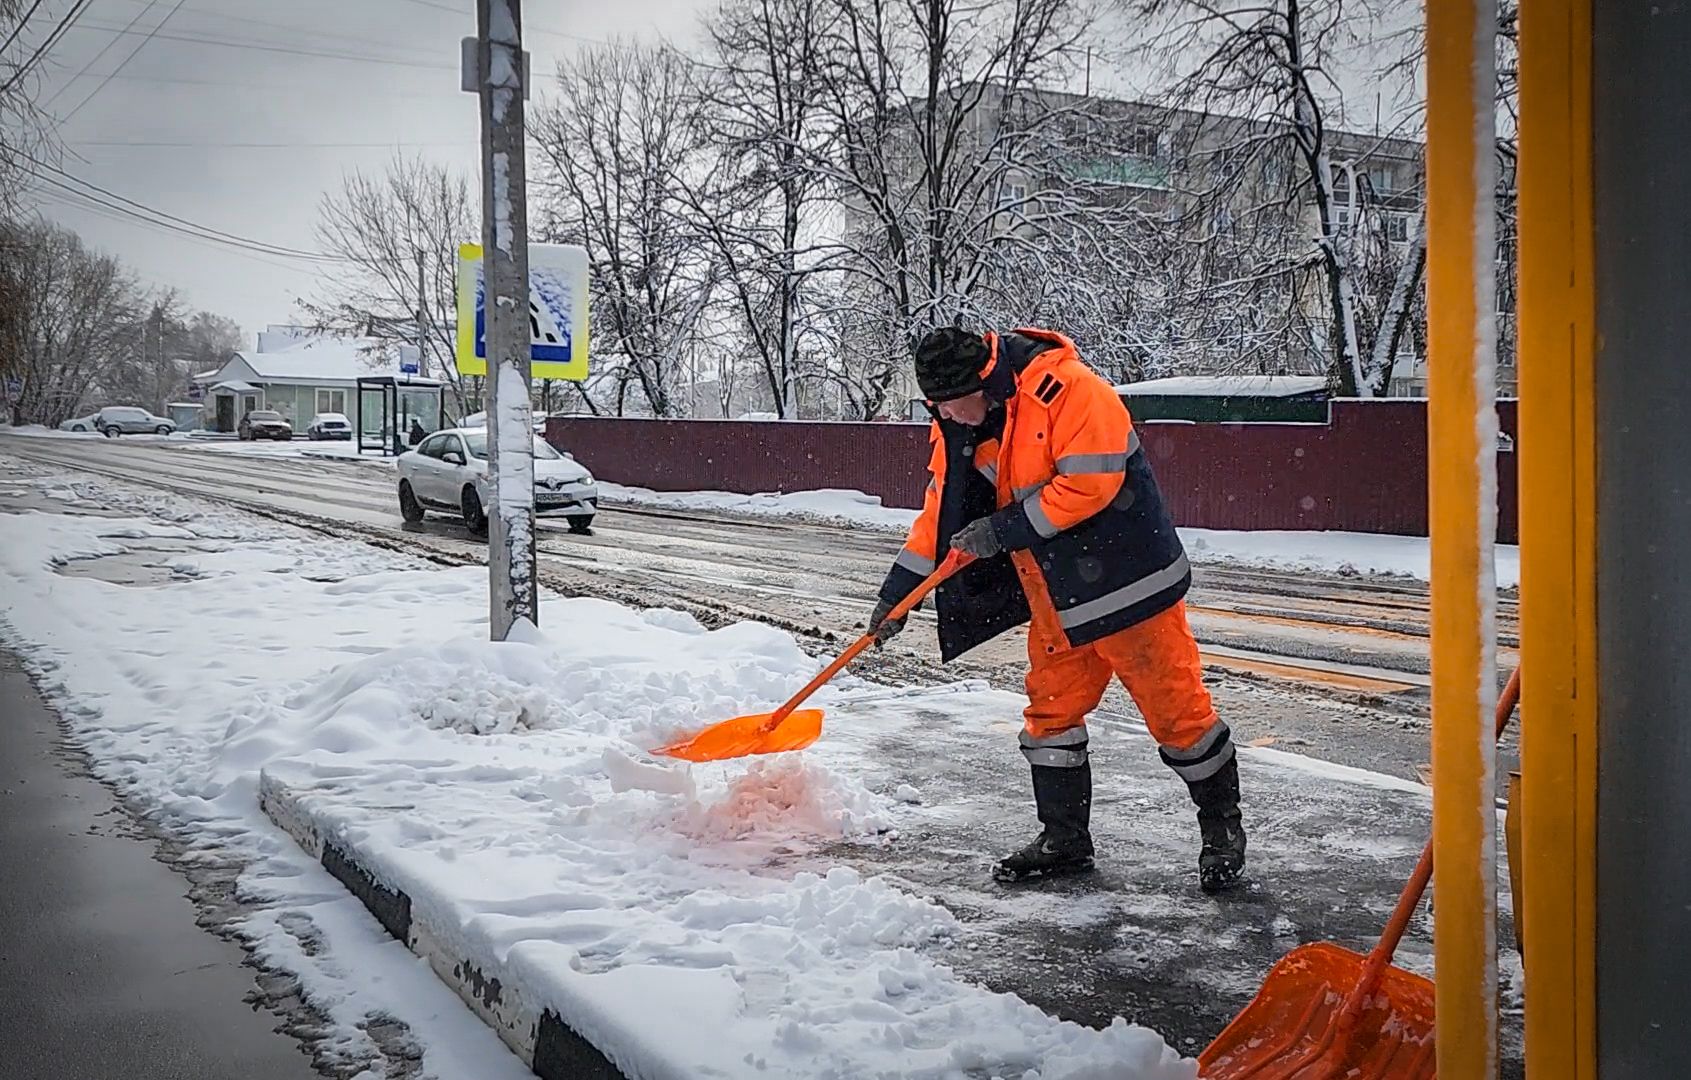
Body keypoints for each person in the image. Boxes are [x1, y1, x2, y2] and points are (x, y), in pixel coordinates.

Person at [868, 327, 1247, 891]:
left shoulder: (1069, 390)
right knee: (1050, 716)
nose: (944, 414)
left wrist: (1003, 529)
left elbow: (1091, 485)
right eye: (935, 405)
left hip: (1128, 587)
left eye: (949, 402)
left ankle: (1222, 832)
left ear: (981, 383)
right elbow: (939, 520)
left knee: (1178, 717)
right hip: (1056, 595)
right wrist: (897, 594)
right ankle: (1064, 839)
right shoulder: (961, 423)